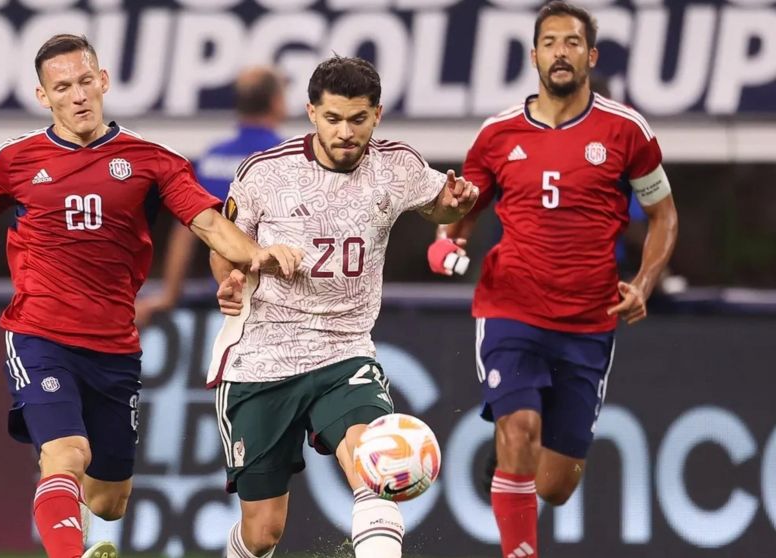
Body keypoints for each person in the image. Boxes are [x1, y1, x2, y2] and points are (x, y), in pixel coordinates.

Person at [0, 34, 301, 558]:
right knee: (65, 453)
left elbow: (209, 224)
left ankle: (70, 517)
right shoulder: (15, 160)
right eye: (62, 87)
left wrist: (256, 254)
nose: (77, 95)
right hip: (39, 335)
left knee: (109, 502)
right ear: (43, 96)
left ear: (103, 81)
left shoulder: (152, 160)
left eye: (85, 82)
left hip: (115, 347)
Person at [426, 3, 679, 557]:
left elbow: (664, 215)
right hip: (510, 307)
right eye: (550, 42)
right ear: (534, 55)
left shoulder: (627, 131)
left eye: (572, 42)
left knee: (556, 487)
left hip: (588, 322)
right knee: (519, 428)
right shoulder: (497, 134)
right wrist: (448, 240)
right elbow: (463, 211)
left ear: (591, 56)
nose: (560, 52)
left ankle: (512, 462)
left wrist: (644, 282)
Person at [207, 55, 479, 558]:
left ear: (377, 115)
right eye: (333, 119)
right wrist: (232, 280)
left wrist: (457, 203)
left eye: (358, 119)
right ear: (312, 112)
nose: (346, 132)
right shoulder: (265, 173)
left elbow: (439, 203)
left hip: (344, 351)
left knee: (373, 464)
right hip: (261, 358)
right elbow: (224, 249)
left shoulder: (396, 166)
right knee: (263, 532)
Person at [135, 66, 288, 326]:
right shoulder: (287, 156)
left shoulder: (214, 157)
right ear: (276, 102)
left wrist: (170, 295)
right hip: (278, 296)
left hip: (225, 293)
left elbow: (186, 229)